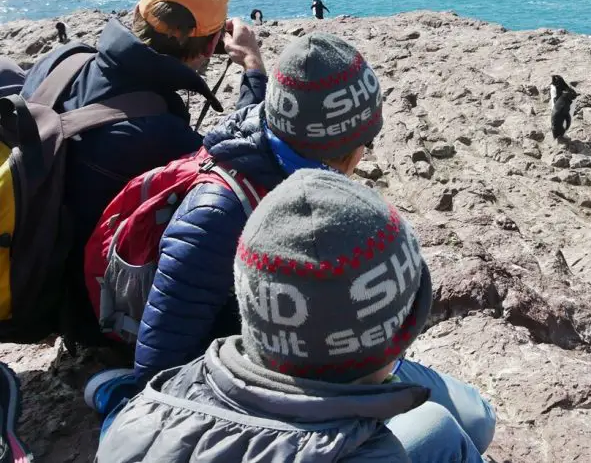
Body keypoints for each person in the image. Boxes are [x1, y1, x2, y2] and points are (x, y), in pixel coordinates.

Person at [84, 33, 386, 432]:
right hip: (201, 366)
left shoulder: (276, 150)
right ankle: (114, 396)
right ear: (345, 147)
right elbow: (162, 354)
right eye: (367, 140)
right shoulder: (219, 214)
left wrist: (252, 65)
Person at [96, 170, 496, 462]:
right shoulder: (374, 455)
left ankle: (108, 393)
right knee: (445, 426)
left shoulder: (145, 409)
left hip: (183, 417)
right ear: (400, 335)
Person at [18, 0, 266, 346]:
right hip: (93, 315)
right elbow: (243, 160)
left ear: (137, 14)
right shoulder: (159, 133)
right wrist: (252, 66)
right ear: (212, 46)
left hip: (33, 276)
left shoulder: (62, 61)